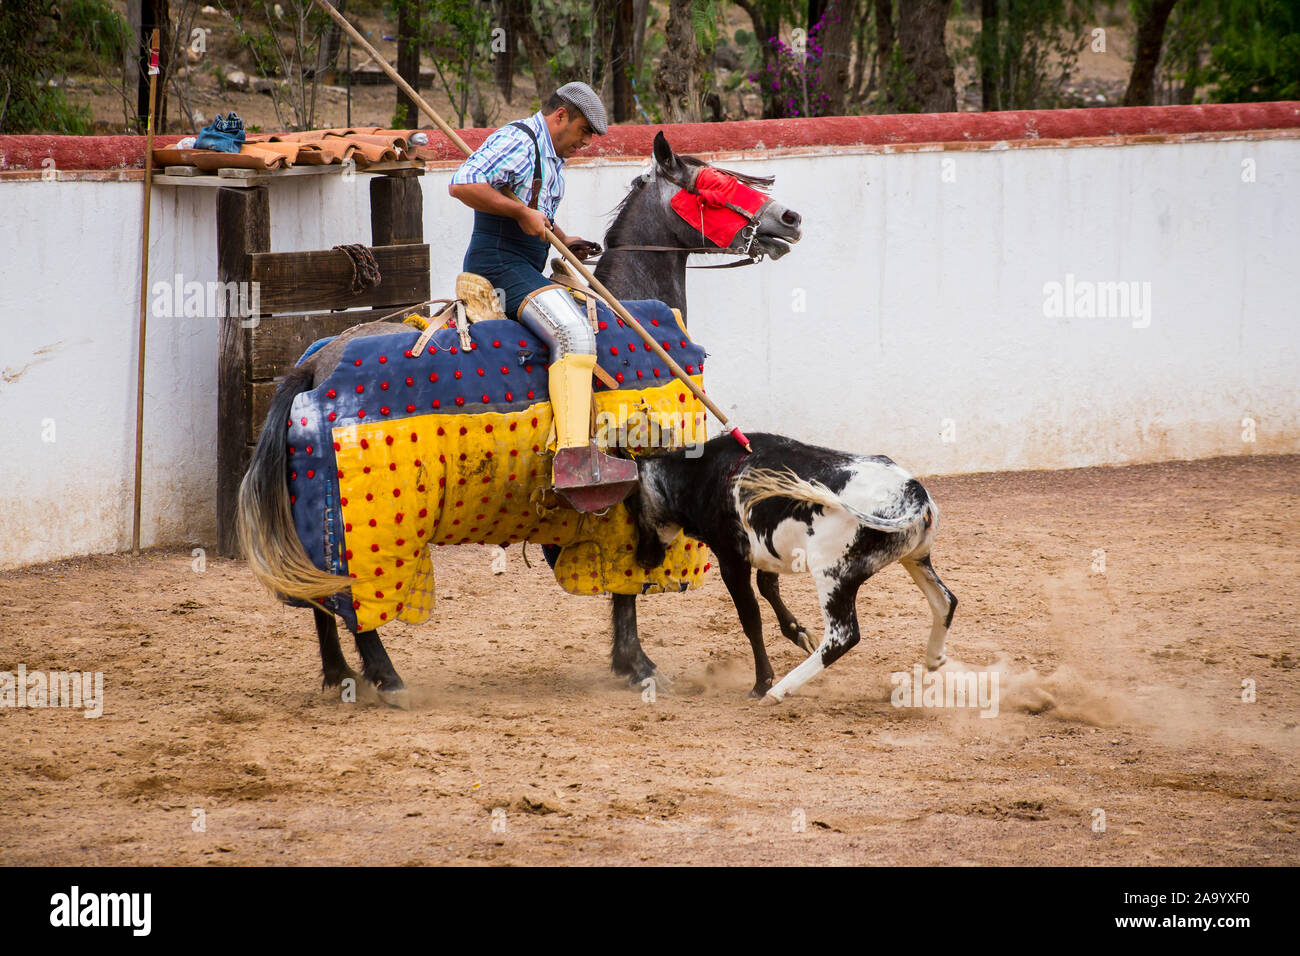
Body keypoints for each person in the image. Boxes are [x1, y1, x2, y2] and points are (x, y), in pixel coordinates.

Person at [448, 82, 636, 513]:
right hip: (497, 266)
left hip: (525, 266)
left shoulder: (551, 158)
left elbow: (533, 215)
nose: (586, 142)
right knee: (573, 332)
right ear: (561, 116)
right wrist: (519, 212)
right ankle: (574, 458)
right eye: (585, 131)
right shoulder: (518, 140)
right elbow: (462, 184)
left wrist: (561, 236)